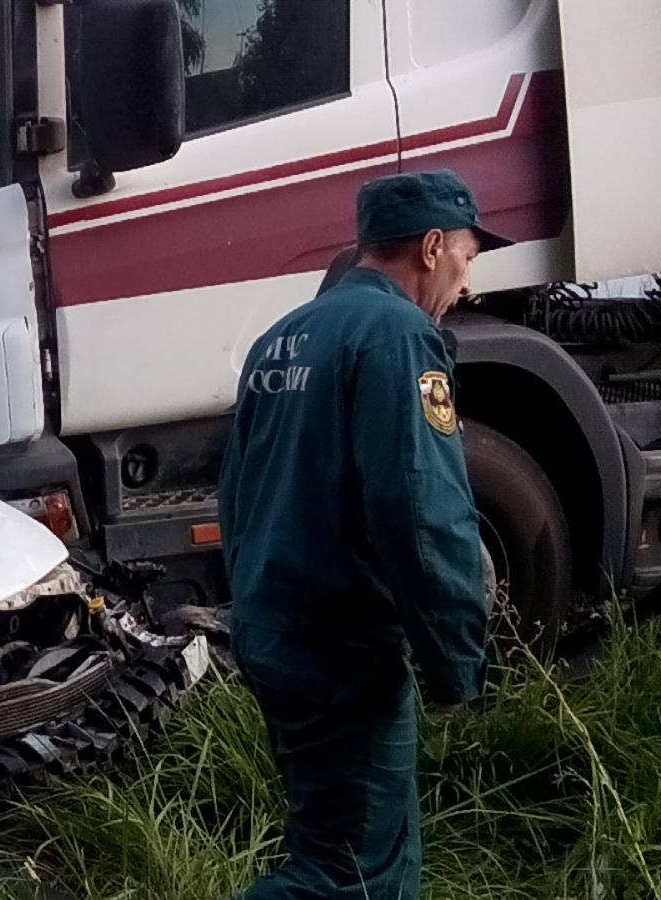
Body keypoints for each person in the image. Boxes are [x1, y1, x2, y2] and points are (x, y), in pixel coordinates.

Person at [216, 169, 507, 899]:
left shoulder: (282, 338)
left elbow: (237, 494)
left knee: (366, 850)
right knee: (349, 878)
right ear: (432, 246)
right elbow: (419, 510)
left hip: (275, 632)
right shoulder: (401, 337)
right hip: (340, 649)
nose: (467, 285)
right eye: (467, 259)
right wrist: (455, 661)